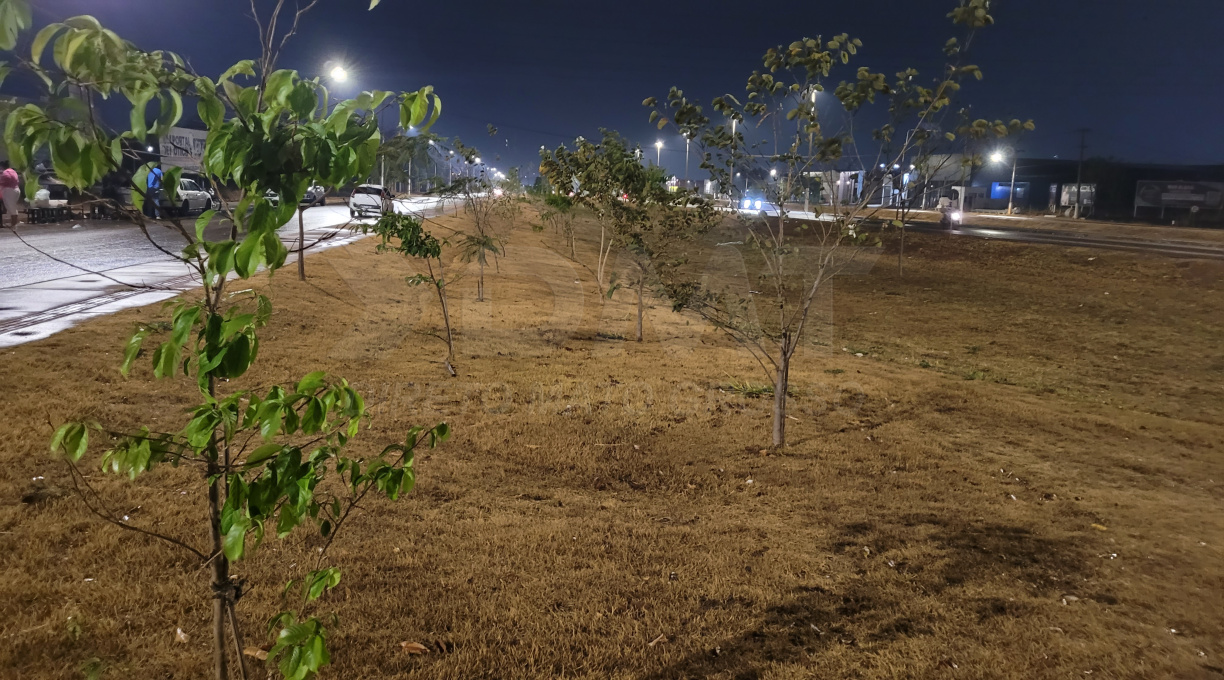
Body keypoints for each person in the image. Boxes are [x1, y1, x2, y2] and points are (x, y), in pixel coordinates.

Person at [0, 161, 21, 228]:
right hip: (16, 190)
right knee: (12, 207)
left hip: (9, 191)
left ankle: (14, 224)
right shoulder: (13, 171)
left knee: (11, 208)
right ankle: (14, 223)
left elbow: (6, 179)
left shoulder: (6, 173)